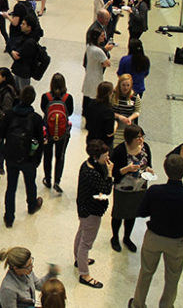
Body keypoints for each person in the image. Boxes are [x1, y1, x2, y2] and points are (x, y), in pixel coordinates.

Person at [129, 154, 183, 308]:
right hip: (176, 242)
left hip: (153, 238)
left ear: (165, 170)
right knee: (173, 277)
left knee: (146, 273)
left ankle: (138, 304)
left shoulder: (155, 191)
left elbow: (141, 212)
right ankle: (166, 305)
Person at [0, 85, 44, 227]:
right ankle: (31, 205)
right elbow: (40, 141)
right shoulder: (36, 118)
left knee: (11, 187)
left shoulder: (10, 115)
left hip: (11, 156)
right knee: (30, 184)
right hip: (28, 158)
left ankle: (9, 217)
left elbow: (1, 134)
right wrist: (37, 159)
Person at [74, 139, 114, 289]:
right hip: (91, 210)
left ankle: (78, 259)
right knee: (86, 243)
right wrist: (110, 173)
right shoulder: (93, 173)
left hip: (83, 207)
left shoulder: (87, 165)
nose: (108, 158)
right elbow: (106, 189)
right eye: (105, 156)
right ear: (97, 157)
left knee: (81, 232)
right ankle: (84, 274)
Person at [110, 124, 152, 254]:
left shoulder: (145, 148)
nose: (141, 140)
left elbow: (148, 164)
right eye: (138, 137)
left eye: (142, 136)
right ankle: (115, 237)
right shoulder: (120, 151)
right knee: (118, 214)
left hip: (139, 187)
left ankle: (127, 237)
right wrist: (127, 169)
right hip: (123, 188)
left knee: (132, 214)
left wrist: (149, 169)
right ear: (130, 138)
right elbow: (113, 172)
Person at [40, 73, 74, 193]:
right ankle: (57, 181)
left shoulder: (46, 97)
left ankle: (47, 179)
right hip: (62, 133)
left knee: (47, 156)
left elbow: (44, 110)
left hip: (48, 132)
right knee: (60, 156)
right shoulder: (68, 98)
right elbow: (69, 113)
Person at [82, 28, 110, 112]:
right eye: (101, 36)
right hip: (96, 75)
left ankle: (85, 111)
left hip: (89, 73)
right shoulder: (98, 51)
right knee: (94, 95)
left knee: (87, 94)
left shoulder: (89, 46)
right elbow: (107, 63)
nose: (103, 37)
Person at [10, 14, 40, 90]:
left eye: (23, 24)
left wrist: (13, 51)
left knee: (22, 92)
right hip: (20, 70)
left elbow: (18, 55)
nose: (21, 25)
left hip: (23, 72)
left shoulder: (29, 42)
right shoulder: (25, 36)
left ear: (29, 27)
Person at [112, 74, 142, 146]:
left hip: (128, 125)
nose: (125, 88)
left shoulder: (135, 96)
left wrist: (130, 118)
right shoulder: (113, 94)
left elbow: (137, 111)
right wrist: (119, 117)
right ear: (119, 84)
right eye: (123, 85)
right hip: (115, 124)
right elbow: (108, 111)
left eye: (128, 85)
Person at [84, 81, 115, 148]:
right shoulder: (109, 111)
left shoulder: (91, 104)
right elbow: (109, 133)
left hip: (91, 140)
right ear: (110, 94)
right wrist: (116, 125)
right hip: (103, 144)